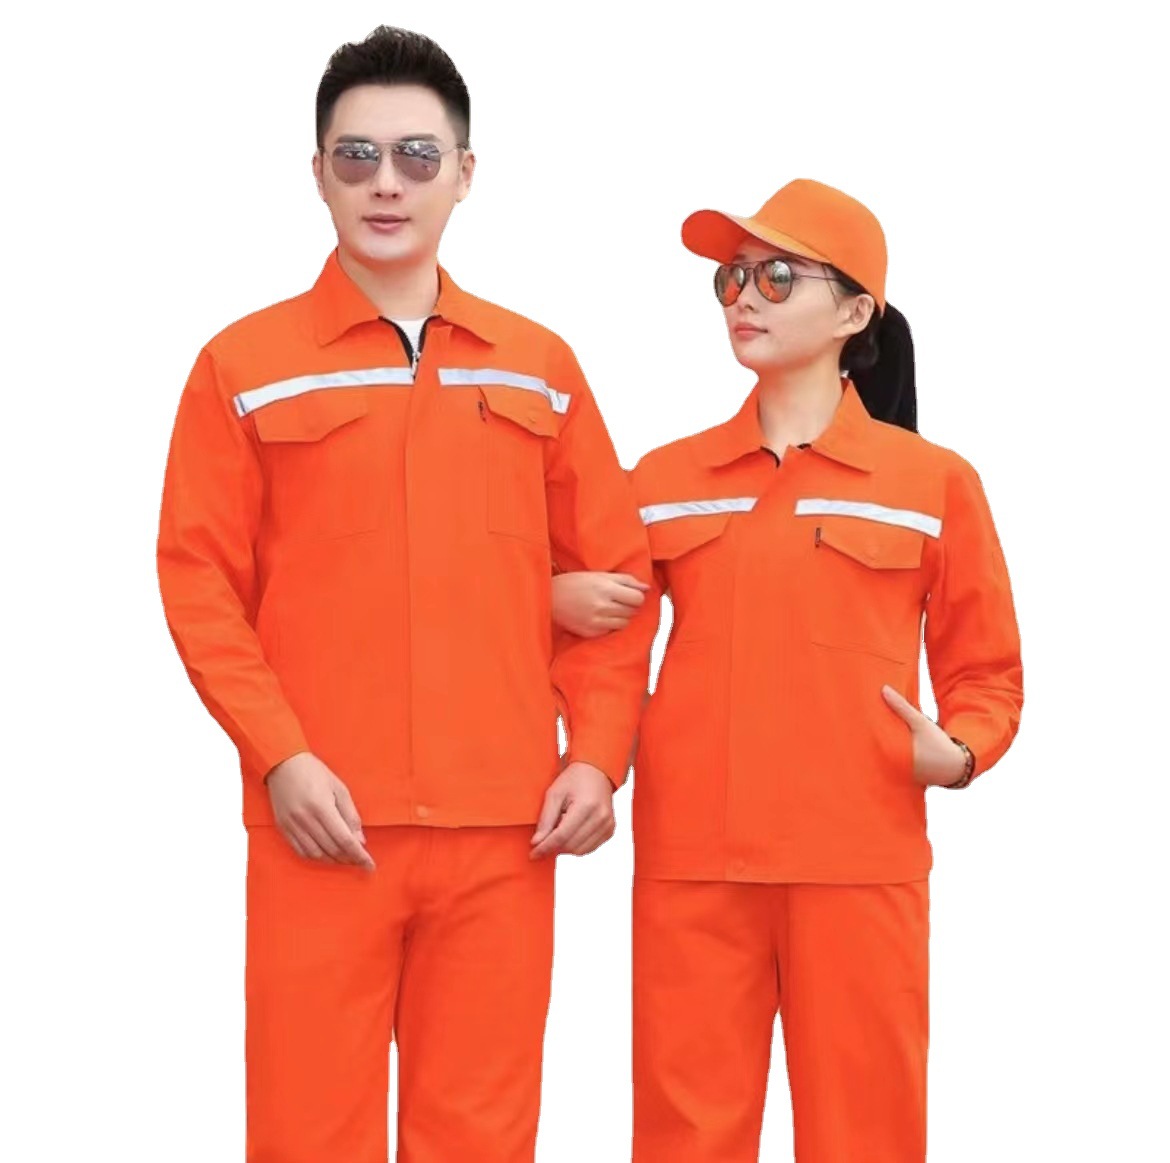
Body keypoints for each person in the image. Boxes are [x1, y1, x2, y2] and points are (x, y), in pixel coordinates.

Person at [156, 25, 654, 1163]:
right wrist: (280, 756)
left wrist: (597, 754)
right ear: (318, 174)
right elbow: (198, 580)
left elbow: (621, 576)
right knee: (307, 1133)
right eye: (358, 156)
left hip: (505, 829)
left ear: (465, 174)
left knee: (481, 1137)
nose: (387, 182)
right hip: (321, 821)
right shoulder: (244, 366)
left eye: (417, 156)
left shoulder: (538, 366)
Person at [552, 178, 1024, 1162]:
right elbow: (609, 646)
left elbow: (986, 666)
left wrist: (961, 750)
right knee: (685, 1137)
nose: (744, 297)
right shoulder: (663, 480)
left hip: (858, 860)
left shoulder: (933, 482)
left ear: (855, 314)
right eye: (732, 278)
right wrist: (590, 748)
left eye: (777, 276)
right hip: (694, 861)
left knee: (866, 1133)